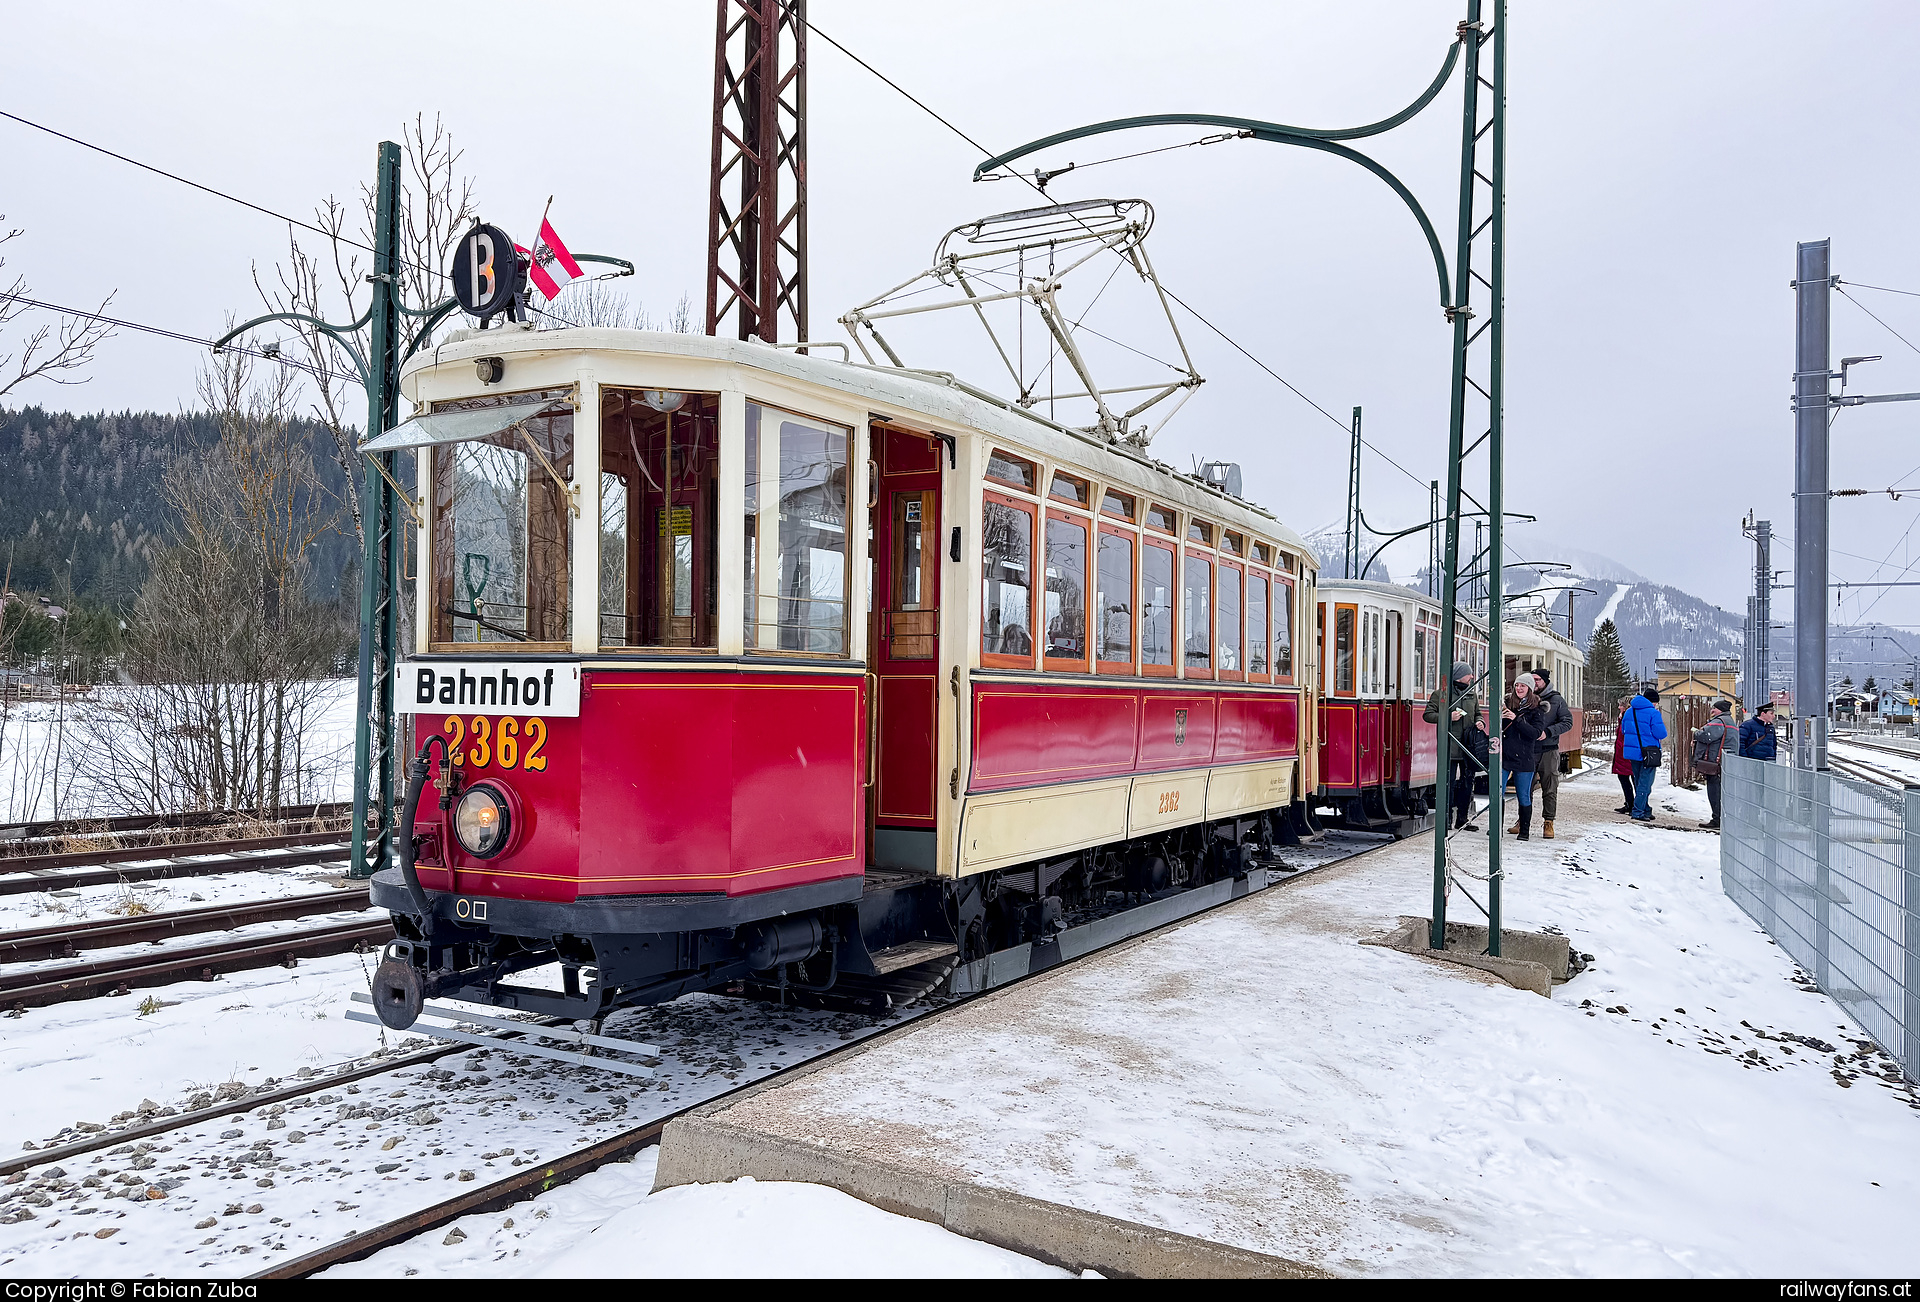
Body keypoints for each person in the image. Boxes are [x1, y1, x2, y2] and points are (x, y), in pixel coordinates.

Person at [1424, 661, 1483, 832]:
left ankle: (1463, 820)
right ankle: (1446, 819)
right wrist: (1447, 716)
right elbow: (1428, 715)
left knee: (1467, 783)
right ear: (1459, 676)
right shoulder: (1440, 694)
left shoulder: (1472, 695)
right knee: (1447, 784)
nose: (1472, 677)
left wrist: (1480, 722)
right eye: (1469, 674)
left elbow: (1478, 714)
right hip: (1449, 746)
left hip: (1469, 747)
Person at [1501, 674, 1550, 840]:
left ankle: (1524, 831)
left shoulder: (1537, 709)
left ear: (1529, 688)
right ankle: (1496, 827)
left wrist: (1517, 720)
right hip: (1505, 756)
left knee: (1523, 794)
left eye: (1522, 686)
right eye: (1516, 686)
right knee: (1497, 792)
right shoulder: (1507, 705)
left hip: (1524, 757)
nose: (1519, 689)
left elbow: (1534, 733)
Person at [1530, 668, 1574, 839]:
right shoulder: (1526, 698)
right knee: (1525, 788)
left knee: (1550, 788)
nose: (1534, 683)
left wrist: (1548, 732)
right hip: (1529, 750)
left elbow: (1567, 722)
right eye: (1532, 680)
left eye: (1538, 680)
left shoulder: (1557, 700)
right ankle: (1522, 820)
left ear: (1545, 681)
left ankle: (1548, 822)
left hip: (1549, 749)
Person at [1620, 685, 1668, 822]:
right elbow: (1661, 733)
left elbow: (1624, 730)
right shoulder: (1653, 713)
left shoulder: (1629, 712)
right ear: (1652, 701)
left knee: (1638, 780)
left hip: (1632, 752)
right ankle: (1638, 811)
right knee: (1645, 783)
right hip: (1648, 753)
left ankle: (1646, 809)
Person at [1692, 699, 1737, 830]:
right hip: (1725, 762)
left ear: (1720, 710)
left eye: (1714, 708)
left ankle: (1717, 819)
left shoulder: (1719, 721)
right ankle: (1721, 818)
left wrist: (1696, 732)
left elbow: (1706, 736)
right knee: (1721, 791)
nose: (1712, 710)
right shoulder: (1730, 721)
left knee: (1714, 791)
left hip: (1715, 763)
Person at [1610, 704, 1636, 812]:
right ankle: (1633, 804)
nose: (1619, 707)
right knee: (1630, 779)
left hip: (1626, 753)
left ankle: (1632, 804)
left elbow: (1624, 735)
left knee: (1628, 778)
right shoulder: (1625, 718)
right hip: (1624, 753)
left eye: (1621, 705)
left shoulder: (1628, 718)